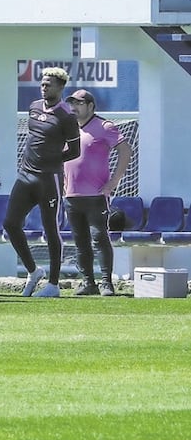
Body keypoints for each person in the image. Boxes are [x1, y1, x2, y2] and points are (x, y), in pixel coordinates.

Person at [5, 67, 81, 298]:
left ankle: (53, 285)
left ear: (60, 87)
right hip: (25, 175)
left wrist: (52, 160)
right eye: (42, 83)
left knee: (50, 229)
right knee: (10, 223)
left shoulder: (66, 116)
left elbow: (75, 151)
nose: (44, 87)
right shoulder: (34, 106)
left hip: (49, 179)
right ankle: (33, 271)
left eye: (49, 84)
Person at [64, 89, 130, 297]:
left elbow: (125, 151)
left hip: (96, 196)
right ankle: (88, 282)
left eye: (79, 103)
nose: (74, 107)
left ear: (91, 106)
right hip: (71, 196)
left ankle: (106, 283)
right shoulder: (68, 128)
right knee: (80, 242)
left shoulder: (104, 127)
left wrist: (113, 182)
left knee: (99, 238)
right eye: (72, 103)